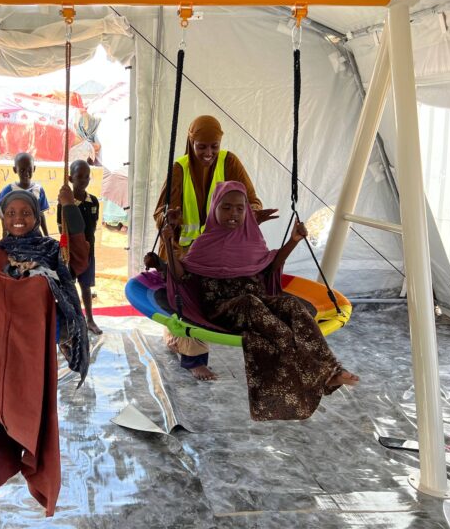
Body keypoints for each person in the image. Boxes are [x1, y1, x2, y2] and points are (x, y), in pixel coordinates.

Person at [160, 180, 359, 420]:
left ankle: (332, 369)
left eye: (240, 208)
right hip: (222, 310)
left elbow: (271, 267)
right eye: (226, 207)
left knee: (290, 304)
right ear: (214, 208)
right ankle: (321, 372)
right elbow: (181, 277)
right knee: (250, 302)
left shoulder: (252, 240)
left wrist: (294, 240)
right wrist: (167, 242)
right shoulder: (204, 243)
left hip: (258, 303)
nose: (233, 213)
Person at [0, 186, 90, 516]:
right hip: (0, 328)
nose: (18, 219)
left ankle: (23, 432)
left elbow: (78, 262)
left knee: (39, 284)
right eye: (11, 213)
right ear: (2, 218)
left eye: (25, 213)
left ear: (36, 217)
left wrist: (69, 208)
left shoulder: (51, 249)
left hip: (34, 322)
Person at [151, 114, 278, 381]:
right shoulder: (179, 169)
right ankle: (193, 358)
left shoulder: (229, 162)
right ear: (191, 142)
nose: (208, 153)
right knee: (188, 300)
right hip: (185, 252)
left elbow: (250, 200)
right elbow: (160, 213)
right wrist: (169, 219)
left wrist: (251, 214)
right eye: (202, 147)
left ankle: (176, 338)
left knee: (220, 298)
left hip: (219, 254)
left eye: (214, 146)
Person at [58, 160, 102, 335]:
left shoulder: (93, 201)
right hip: (71, 253)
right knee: (69, 287)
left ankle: (89, 319)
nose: (83, 180)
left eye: (87, 176)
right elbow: (61, 228)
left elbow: (93, 225)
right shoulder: (64, 203)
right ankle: (72, 320)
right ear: (70, 178)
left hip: (88, 251)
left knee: (86, 286)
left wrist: (87, 245)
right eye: (79, 176)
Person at [0, 151, 50, 236]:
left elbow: (41, 213)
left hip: (34, 234)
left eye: (29, 170)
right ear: (15, 170)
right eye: (22, 170)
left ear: (34, 169)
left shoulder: (38, 189)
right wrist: (4, 219)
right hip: (15, 234)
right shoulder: (10, 189)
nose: (26, 173)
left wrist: (46, 235)